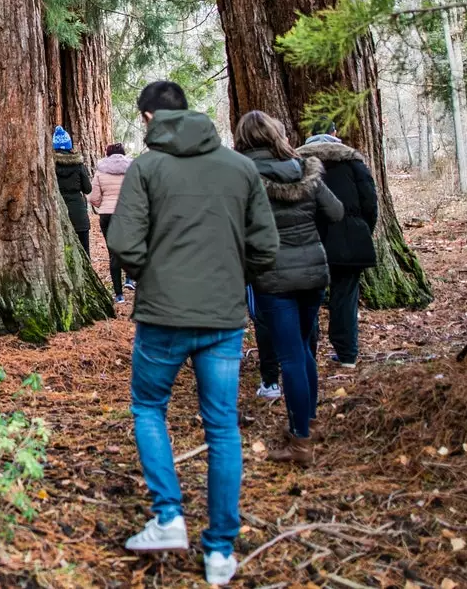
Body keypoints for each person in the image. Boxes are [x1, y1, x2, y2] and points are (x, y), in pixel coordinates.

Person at [108, 81, 279, 586]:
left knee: (148, 408)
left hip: (162, 317)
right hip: (223, 320)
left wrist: (156, 277)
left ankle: (168, 518)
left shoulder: (148, 167)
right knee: (222, 427)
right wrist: (229, 279)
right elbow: (265, 248)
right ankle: (220, 552)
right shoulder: (240, 167)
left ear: (147, 119)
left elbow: (123, 242)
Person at [235, 110, 343, 468]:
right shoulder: (303, 168)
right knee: (304, 351)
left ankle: (301, 443)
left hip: (272, 278)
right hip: (313, 274)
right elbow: (336, 212)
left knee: (292, 357)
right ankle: (307, 424)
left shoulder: (241, 174)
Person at [297, 121, 379, 369]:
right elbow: (370, 203)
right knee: (345, 298)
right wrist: (362, 230)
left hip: (309, 241)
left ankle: (306, 353)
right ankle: (347, 355)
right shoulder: (353, 162)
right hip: (348, 240)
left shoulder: (299, 164)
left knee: (308, 298)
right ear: (334, 134)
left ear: (310, 136)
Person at [88, 143, 133, 302]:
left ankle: (119, 295)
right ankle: (129, 280)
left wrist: (104, 204)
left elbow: (93, 198)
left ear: (107, 155)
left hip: (107, 215)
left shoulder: (100, 172)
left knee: (113, 253)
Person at [52, 126, 93, 255]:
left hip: (59, 211)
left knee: (65, 249)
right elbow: (87, 189)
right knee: (84, 248)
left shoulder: (50, 166)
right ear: (69, 145)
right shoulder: (78, 165)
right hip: (78, 213)